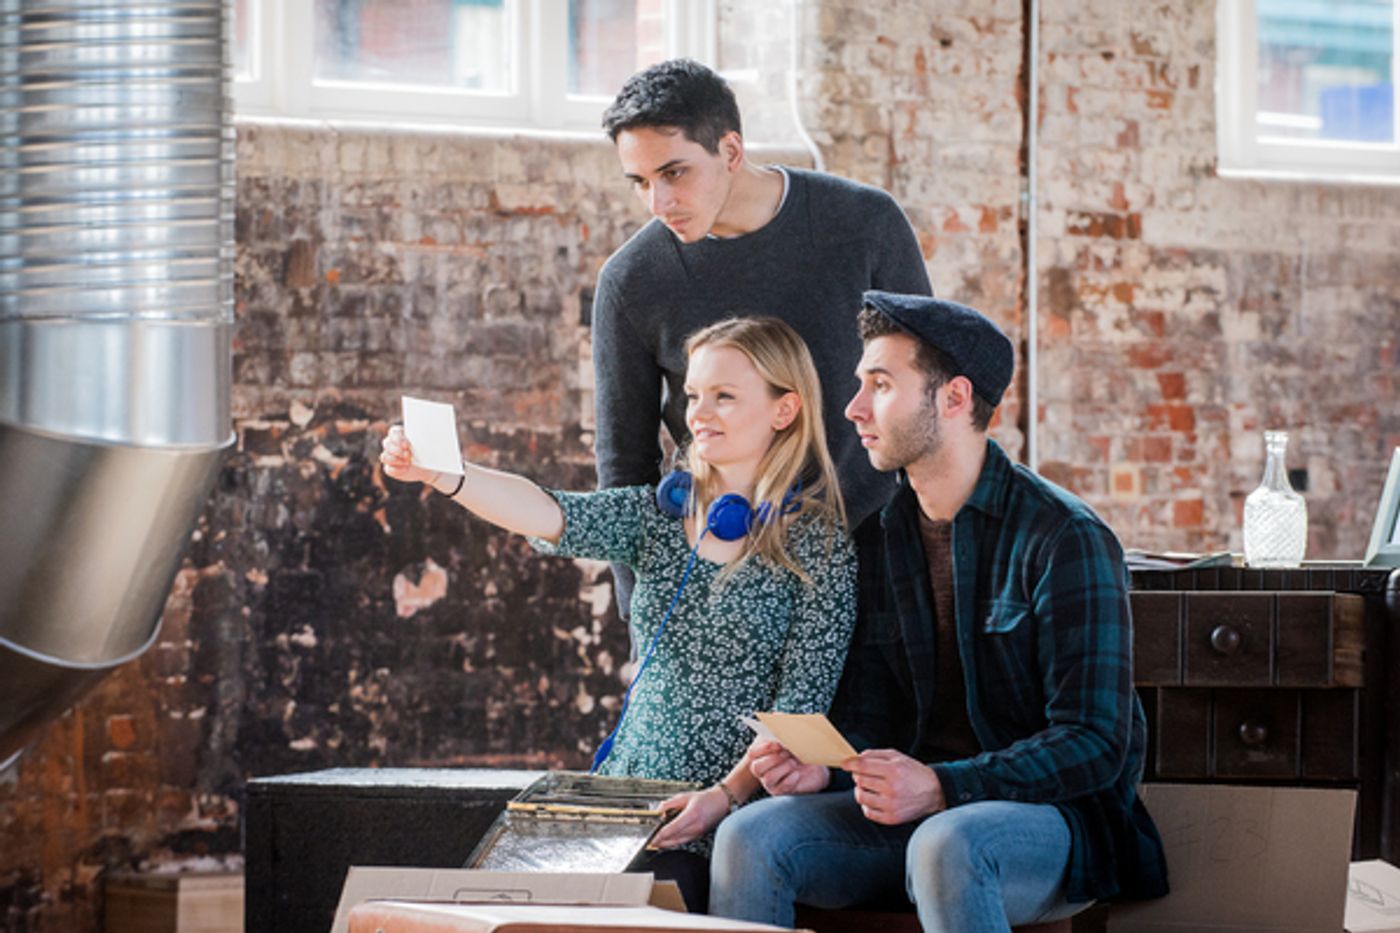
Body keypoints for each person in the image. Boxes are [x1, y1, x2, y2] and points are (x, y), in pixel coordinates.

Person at [709, 293, 1168, 931]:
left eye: (881, 384)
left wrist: (945, 785)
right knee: (751, 836)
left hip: (1052, 825)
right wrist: (829, 768)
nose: (854, 409)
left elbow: (1094, 743)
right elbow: (872, 715)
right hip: (915, 820)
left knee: (949, 842)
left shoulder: (1064, 537)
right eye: (860, 385)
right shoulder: (881, 537)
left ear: (953, 399)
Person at [380, 316, 856, 911]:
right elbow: (549, 513)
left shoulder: (818, 543)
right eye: (692, 396)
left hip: (722, 816)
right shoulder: (655, 517)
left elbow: (798, 715)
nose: (698, 413)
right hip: (624, 797)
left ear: (784, 410)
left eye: (724, 396)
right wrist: (447, 475)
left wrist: (725, 797)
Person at [594, 58, 932, 616]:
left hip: (876, 569)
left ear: (730, 151)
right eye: (641, 183)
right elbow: (623, 465)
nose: (659, 204)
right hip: (723, 589)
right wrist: (646, 616)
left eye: (674, 173)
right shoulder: (632, 280)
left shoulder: (864, 224)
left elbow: (925, 392)